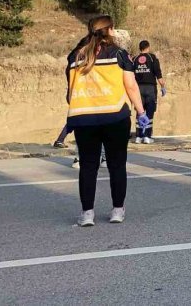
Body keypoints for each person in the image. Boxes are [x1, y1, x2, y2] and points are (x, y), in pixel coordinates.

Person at [65, 15, 148, 226]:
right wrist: (140, 111)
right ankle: (117, 211)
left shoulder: (75, 56)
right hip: (115, 115)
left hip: (84, 117)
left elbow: (70, 91)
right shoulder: (119, 54)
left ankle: (87, 214)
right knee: (116, 165)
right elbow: (130, 86)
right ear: (110, 30)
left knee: (88, 166)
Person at [133, 40, 167, 144]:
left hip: (138, 88)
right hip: (150, 88)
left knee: (140, 111)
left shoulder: (135, 59)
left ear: (140, 48)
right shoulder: (152, 58)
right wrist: (163, 86)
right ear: (148, 47)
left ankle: (138, 136)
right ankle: (147, 136)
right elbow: (158, 75)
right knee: (150, 112)